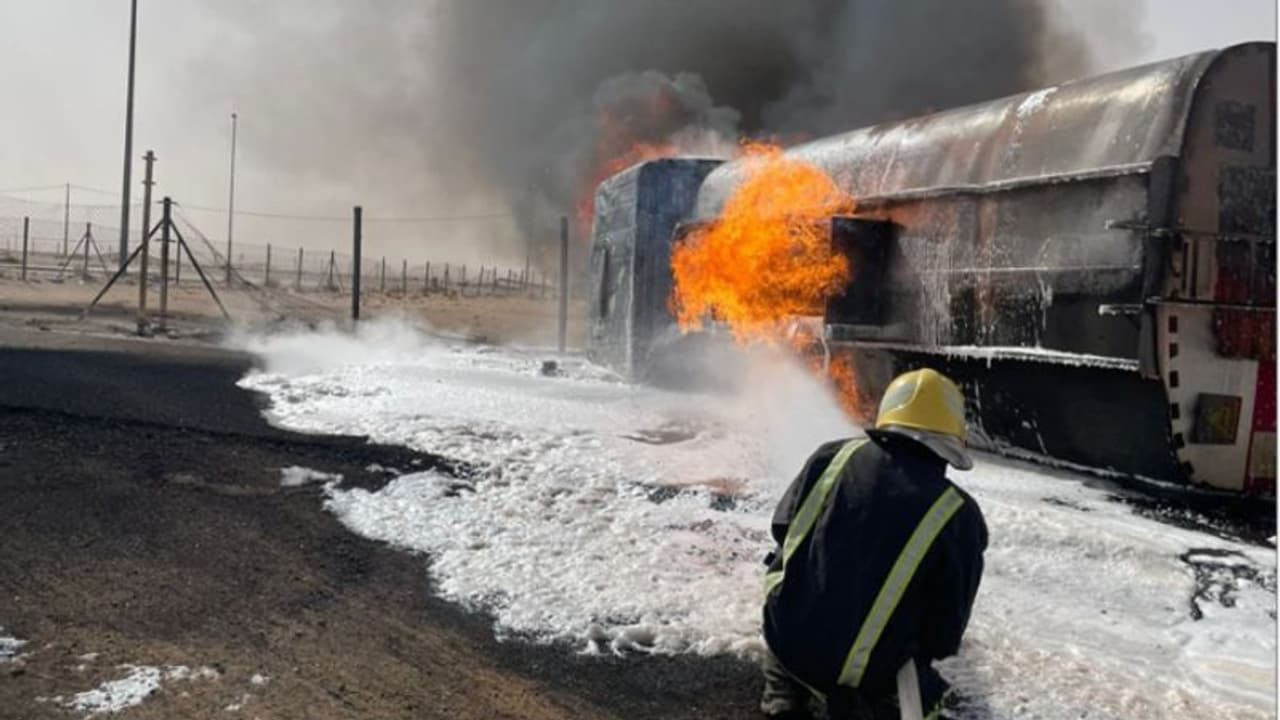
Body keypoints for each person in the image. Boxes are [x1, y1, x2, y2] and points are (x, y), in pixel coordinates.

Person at [760, 368, 988, 720]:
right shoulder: (958, 515)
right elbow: (944, 636)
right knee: (930, 697)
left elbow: (782, 532)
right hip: (863, 674)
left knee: (784, 570)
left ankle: (783, 687)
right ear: (949, 442)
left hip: (784, 635)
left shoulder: (831, 457)